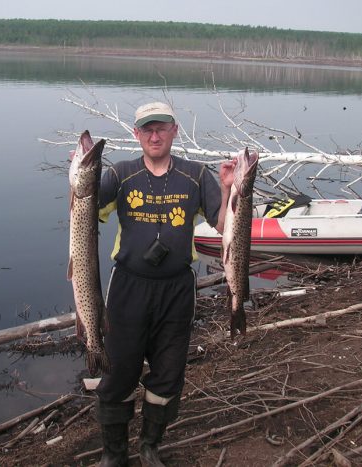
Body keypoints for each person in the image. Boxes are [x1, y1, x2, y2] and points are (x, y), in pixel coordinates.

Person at [95, 102, 235, 466]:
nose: (154, 136)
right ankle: (115, 453)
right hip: (128, 288)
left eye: (161, 128)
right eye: (147, 130)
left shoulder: (196, 175)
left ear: (175, 130)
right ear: (136, 134)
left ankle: (149, 446)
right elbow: (83, 207)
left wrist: (229, 188)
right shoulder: (120, 174)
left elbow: (223, 226)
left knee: (169, 372)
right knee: (119, 370)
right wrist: (79, 175)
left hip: (176, 291)